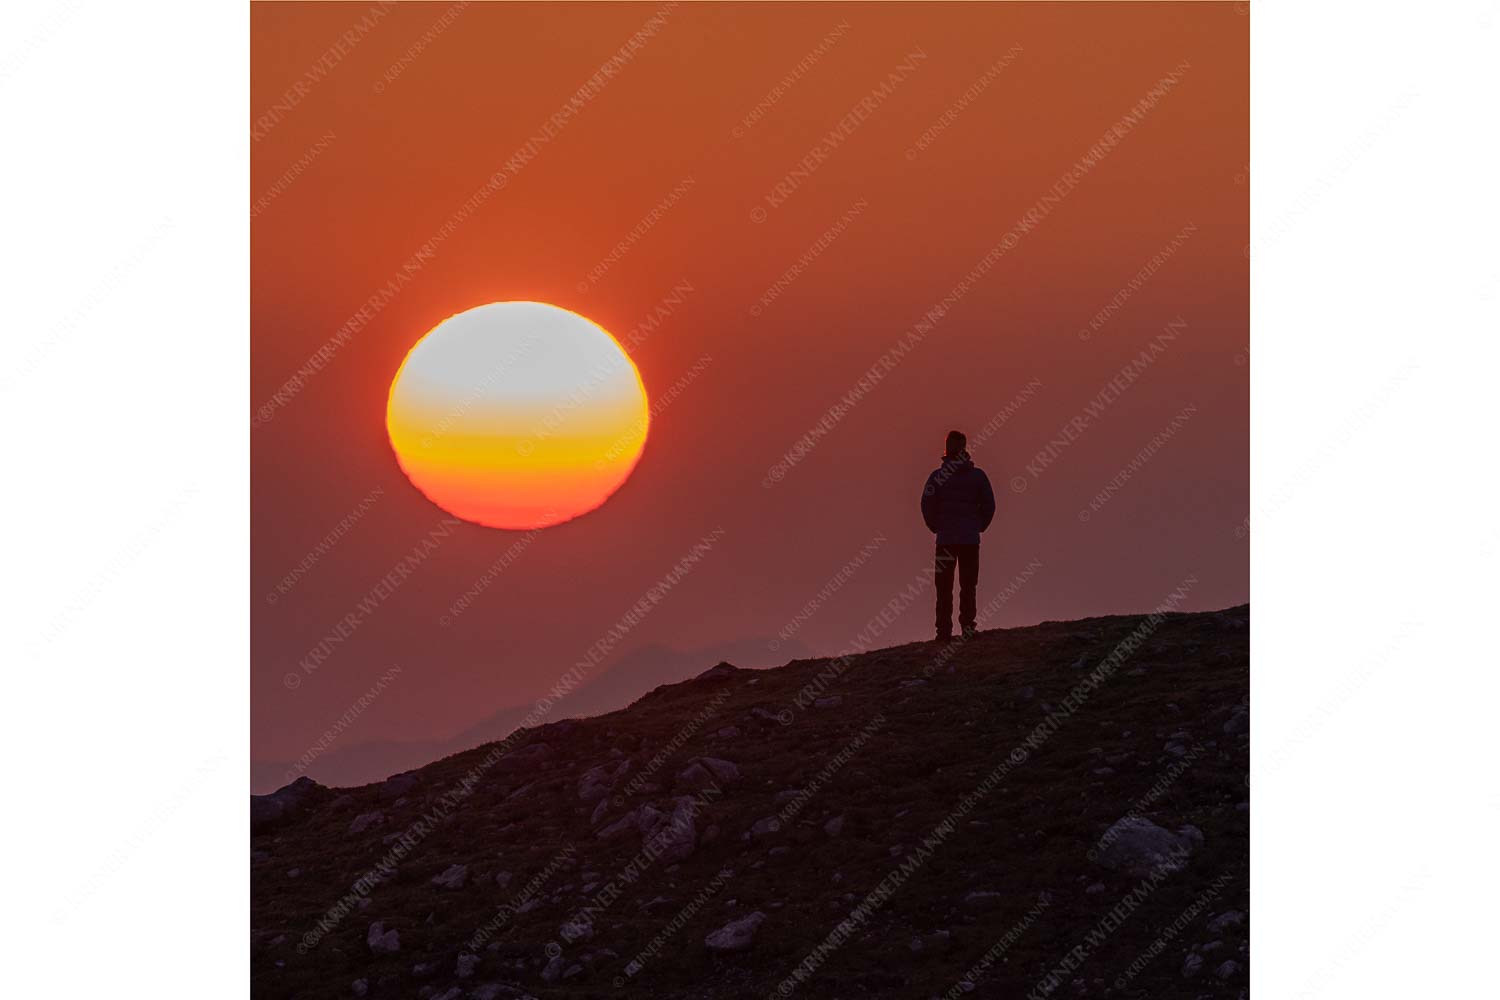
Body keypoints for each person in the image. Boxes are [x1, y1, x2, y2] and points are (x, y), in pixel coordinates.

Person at [920, 430, 996, 642]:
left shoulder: (937, 477)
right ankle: (967, 628)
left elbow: (926, 504)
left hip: (946, 540)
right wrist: (978, 526)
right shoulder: (977, 476)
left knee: (944, 587)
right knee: (968, 585)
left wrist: (936, 527)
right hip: (969, 540)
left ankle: (943, 632)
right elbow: (989, 505)